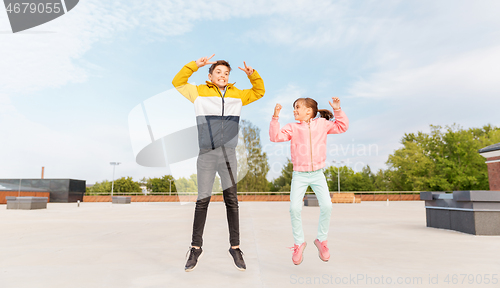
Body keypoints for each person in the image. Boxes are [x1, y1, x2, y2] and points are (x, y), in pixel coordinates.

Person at [172, 54, 265, 272]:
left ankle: (235, 247)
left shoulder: (238, 95)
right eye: (218, 72)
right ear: (210, 76)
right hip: (207, 153)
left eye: (226, 73)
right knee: (202, 200)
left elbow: (259, 92)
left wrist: (254, 76)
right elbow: (178, 82)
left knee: (231, 200)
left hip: (229, 154)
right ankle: (196, 247)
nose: (222, 76)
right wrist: (195, 65)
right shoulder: (198, 93)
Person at [269, 97, 348, 265]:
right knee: (294, 208)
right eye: (294, 108)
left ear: (309, 110)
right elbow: (275, 137)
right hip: (300, 174)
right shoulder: (292, 128)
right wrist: (275, 117)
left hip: (318, 173)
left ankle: (322, 240)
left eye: (297, 107)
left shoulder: (322, 124)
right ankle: (299, 243)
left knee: (327, 206)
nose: (294, 110)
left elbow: (342, 127)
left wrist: (337, 109)